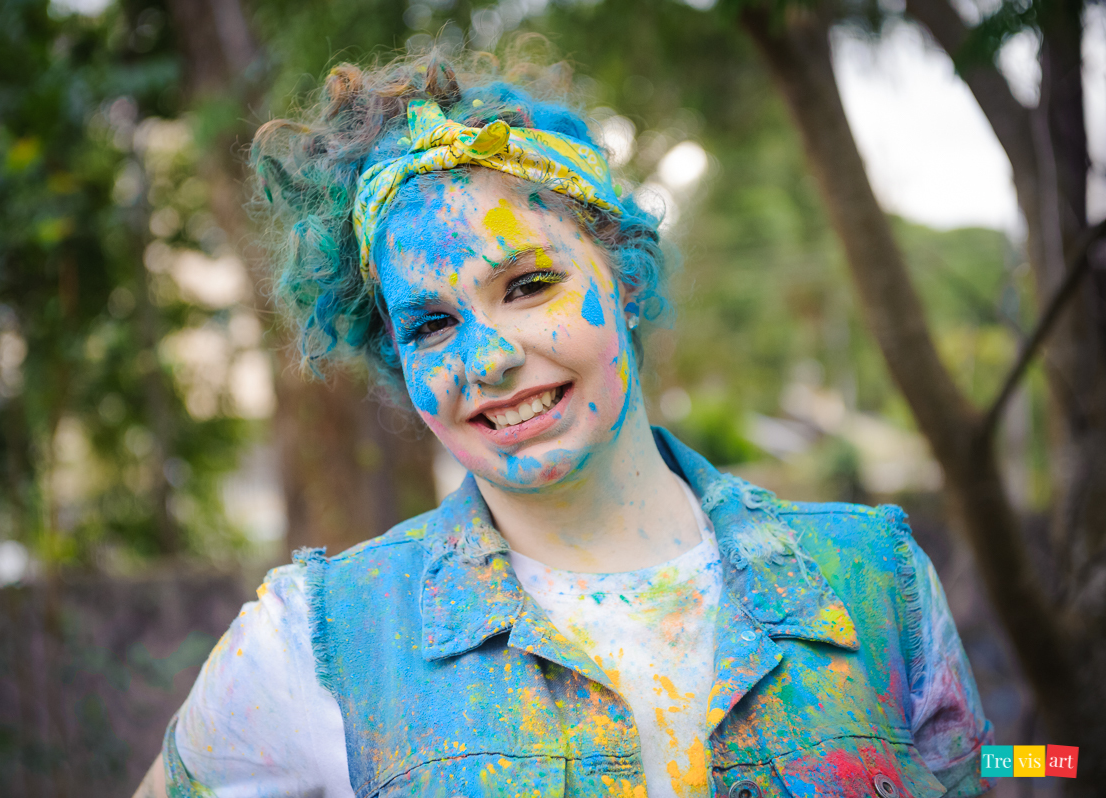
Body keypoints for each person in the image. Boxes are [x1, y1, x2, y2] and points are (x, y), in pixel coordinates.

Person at [134, 49, 994, 798]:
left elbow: (998, 767)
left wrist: (1066, 760)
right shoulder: (319, 642)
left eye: (528, 285)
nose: (487, 360)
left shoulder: (877, 581)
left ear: (619, 276)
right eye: (431, 326)